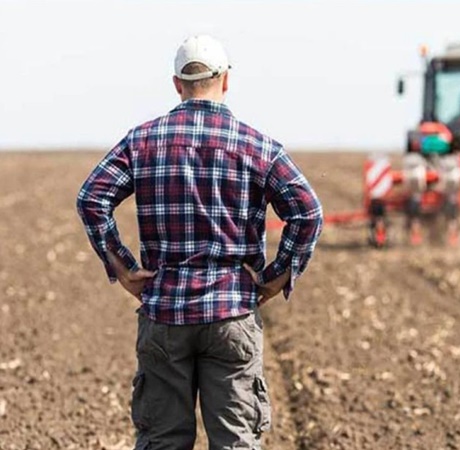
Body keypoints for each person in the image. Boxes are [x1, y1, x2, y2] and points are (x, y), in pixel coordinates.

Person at [76, 34, 323, 449]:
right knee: (235, 442)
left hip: (164, 313)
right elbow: (308, 211)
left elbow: (91, 197)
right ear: (226, 80)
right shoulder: (257, 146)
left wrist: (122, 266)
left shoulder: (142, 141)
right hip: (232, 313)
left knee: (163, 441)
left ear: (177, 84)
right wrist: (277, 277)